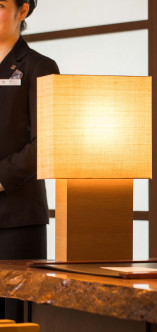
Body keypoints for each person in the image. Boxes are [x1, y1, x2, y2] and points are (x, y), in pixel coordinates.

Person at [0, 0, 59, 319]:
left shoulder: (39, 66)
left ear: (22, 11)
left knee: (14, 314)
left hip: (16, 219)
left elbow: (47, 141)